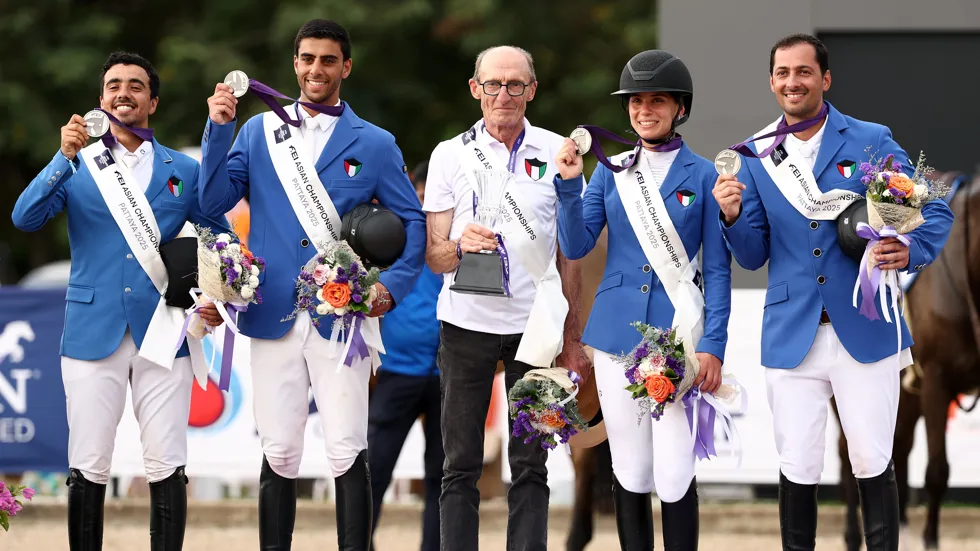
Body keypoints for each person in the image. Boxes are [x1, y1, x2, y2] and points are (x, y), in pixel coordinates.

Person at [711, 33, 954, 550]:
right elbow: (753, 255)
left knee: (871, 459)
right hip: (792, 332)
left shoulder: (871, 139)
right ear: (771, 82)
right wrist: (731, 217)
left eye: (803, 72)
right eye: (782, 73)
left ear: (825, 78)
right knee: (797, 464)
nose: (792, 82)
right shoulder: (753, 155)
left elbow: (934, 209)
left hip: (864, 326)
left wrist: (910, 249)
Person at [200, 19, 426, 551]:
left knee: (346, 447)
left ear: (346, 67)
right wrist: (218, 129)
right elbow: (211, 203)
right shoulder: (257, 132)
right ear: (295, 64)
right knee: (279, 450)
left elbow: (412, 223)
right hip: (272, 311)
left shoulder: (376, 143)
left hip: (342, 318)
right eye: (307, 58)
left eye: (328, 60)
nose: (316, 69)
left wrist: (391, 288)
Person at [11, 51, 230, 550]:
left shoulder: (183, 169)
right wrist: (62, 157)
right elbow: (25, 218)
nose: (123, 92)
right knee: (89, 461)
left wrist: (216, 297)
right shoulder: (77, 165)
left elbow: (220, 237)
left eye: (135, 85)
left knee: (167, 460)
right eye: (113, 85)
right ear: (101, 99)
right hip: (92, 329)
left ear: (152, 101)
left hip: (165, 329)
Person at [554, 49, 732, 550]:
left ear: (680, 108)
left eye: (657, 100)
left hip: (678, 336)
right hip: (615, 335)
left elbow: (719, 270)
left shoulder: (704, 176)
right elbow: (576, 245)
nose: (644, 110)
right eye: (636, 101)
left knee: (674, 473)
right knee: (630, 469)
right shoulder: (610, 171)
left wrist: (713, 345)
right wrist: (569, 185)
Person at [423, 45, 590, 551]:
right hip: (465, 324)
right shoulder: (449, 153)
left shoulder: (559, 151)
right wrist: (458, 246)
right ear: (475, 89)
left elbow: (571, 255)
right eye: (493, 84)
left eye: (515, 84)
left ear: (531, 90)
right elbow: (434, 257)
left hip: (535, 327)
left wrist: (571, 339)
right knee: (459, 464)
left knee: (531, 464)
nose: (504, 95)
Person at [367, 161, 444, 551]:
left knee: (443, 478)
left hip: (448, 376)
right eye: (422, 197)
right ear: (411, 194)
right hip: (397, 371)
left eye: (436, 199)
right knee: (373, 471)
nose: (428, 207)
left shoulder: (460, 238)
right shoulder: (388, 236)